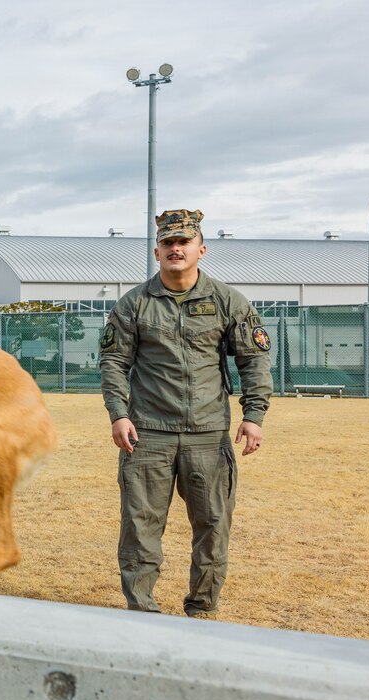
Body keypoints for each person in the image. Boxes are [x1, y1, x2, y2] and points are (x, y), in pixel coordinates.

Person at [99, 209, 272, 618]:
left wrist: (254, 414)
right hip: (148, 435)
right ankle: (142, 611)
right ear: (156, 251)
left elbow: (254, 359)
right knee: (140, 528)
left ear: (201, 249)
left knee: (213, 527)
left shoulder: (228, 301)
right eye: (168, 243)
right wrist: (118, 414)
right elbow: (112, 362)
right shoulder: (134, 304)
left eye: (184, 242)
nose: (176, 249)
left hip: (208, 435)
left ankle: (202, 609)